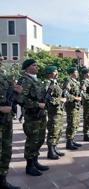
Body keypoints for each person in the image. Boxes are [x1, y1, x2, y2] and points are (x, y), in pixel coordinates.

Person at [19, 59, 49, 176]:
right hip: (32, 116)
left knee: (40, 139)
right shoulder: (24, 80)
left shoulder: (37, 80)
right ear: (27, 68)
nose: (37, 67)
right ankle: (29, 166)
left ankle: (35, 162)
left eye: (37, 65)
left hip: (40, 115)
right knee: (32, 140)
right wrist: (37, 105)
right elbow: (21, 99)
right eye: (34, 65)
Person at [0, 54, 22, 188]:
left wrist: (17, 91)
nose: (2, 60)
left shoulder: (5, 77)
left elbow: (14, 98)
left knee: (6, 151)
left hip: (6, 120)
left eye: (1, 58)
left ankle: (2, 180)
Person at [44, 66, 66, 160]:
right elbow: (46, 97)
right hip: (53, 111)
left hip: (59, 111)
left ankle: (55, 148)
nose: (57, 72)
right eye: (55, 71)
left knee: (58, 130)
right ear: (50, 73)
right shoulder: (47, 83)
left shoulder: (55, 82)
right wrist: (60, 100)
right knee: (53, 130)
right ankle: (50, 151)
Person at [63, 67, 82, 150]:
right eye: (76, 72)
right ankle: (69, 142)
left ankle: (72, 140)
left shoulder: (76, 82)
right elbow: (65, 93)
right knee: (71, 124)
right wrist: (75, 98)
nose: (77, 73)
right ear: (71, 73)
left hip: (76, 106)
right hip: (71, 106)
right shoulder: (68, 82)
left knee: (76, 123)